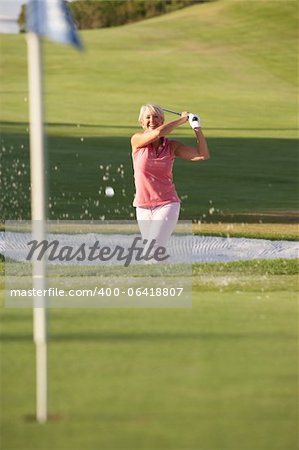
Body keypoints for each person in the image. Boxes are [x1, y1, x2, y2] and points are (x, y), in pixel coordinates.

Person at [131, 103, 210, 261]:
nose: (152, 120)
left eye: (157, 117)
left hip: (167, 203)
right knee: (153, 252)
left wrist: (196, 127)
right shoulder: (137, 140)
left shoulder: (172, 146)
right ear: (141, 122)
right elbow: (158, 133)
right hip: (142, 206)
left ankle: (157, 279)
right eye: (148, 117)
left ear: (162, 120)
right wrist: (182, 119)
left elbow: (202, 155)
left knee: (153, 247)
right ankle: (162, 281)